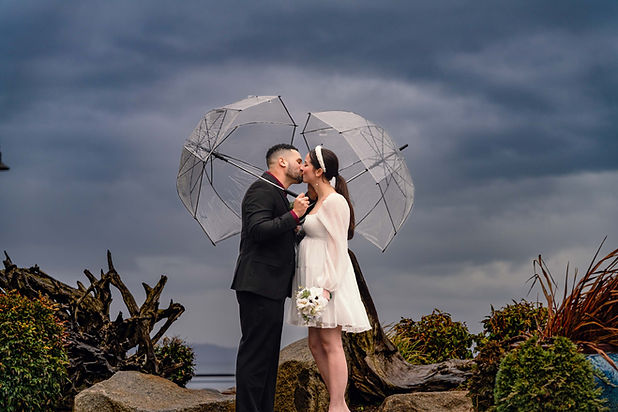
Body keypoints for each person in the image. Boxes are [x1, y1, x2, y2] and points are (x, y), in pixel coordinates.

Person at [287, 145, 371, 412]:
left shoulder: (335, 202)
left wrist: (326, 287)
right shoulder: (313, 201)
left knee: (330, 341)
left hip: (326, 278)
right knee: (314, 343)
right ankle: (337, 400)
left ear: (319, 171)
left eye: (307, 164)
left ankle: (338, 404)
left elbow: (338, 246)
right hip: (309, 276)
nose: (302, 167)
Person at [231, 143, 310, 412]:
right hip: (258, 285)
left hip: (271, 288)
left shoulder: (277, 193)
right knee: (255, 357)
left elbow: (275, 236)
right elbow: (257, 230)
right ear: (282, 163)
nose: (303, 166)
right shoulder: (261, 190)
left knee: (267, 358)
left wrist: (296, 226)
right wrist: (293, 215)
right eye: (299, 160)